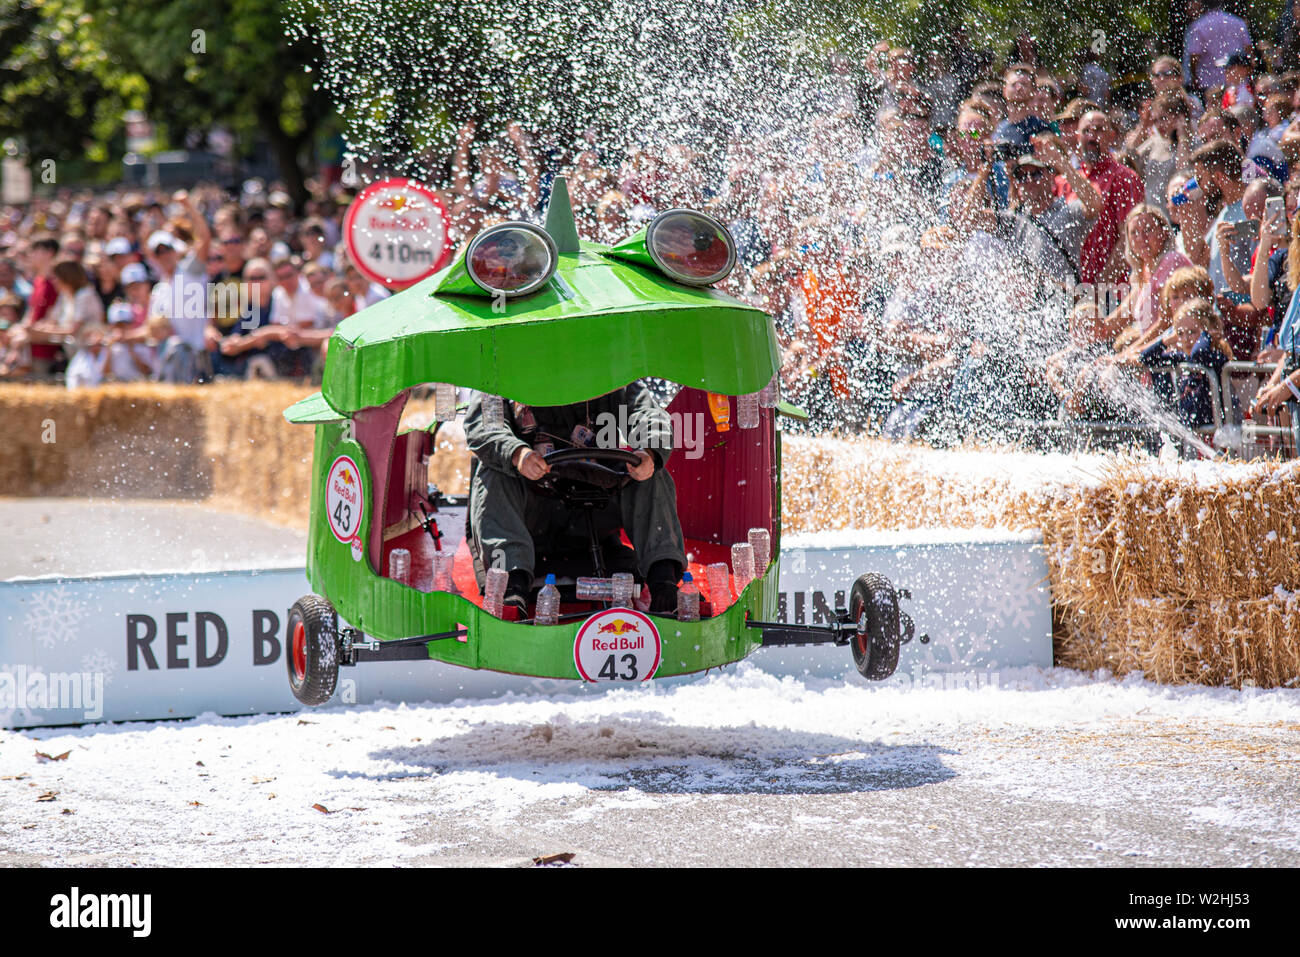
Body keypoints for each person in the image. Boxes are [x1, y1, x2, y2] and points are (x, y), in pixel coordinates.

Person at [463, 383, 688, 617]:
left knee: (652, 472)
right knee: (492, 470)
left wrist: (650, 452)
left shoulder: (611, 368)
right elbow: (484, 425)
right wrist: (517, 454)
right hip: (530, 513)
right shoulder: (499, 372)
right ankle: (511, 587)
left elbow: (647, 415)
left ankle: (664, 582)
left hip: (595, 506)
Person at [1057, 111, 1145, 285]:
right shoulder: (1069, 180)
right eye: (1086, 131)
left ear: (1111, 136)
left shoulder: (1124, 177)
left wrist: (1102, 284)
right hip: (1072, 286)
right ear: (1077, 137)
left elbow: (1128, 238)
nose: (1091, 136)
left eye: (1098, 130)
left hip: (1111, 288)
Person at [1186, 0, 1252, 92]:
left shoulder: (1199, 26)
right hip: (1237, 81)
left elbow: (1194, 56)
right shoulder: (1238, 22)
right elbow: (1249, 51)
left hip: (1209, 83)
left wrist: (1194, 78)